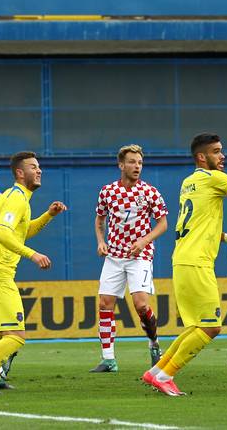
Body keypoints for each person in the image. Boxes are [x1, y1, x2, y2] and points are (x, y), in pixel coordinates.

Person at [141, 133, 227, 397]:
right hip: (197, 262)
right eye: (217, 151)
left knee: (196, 326)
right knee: (210, 326)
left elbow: (199, 224)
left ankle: (156, 371)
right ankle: (166, 375)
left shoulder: (188, 183)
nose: (222, 156)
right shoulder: (215, 178)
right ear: (201, 157)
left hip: (183, 259)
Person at [0, 152, 67, 394]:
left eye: (39, 167)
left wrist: (48, 216)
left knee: (0, 332)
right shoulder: (17, 199)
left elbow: (20, 232)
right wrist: (33, 255)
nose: (39, 171)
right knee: (16, 335)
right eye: (33, 167)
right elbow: (1, 234)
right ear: (20, 173)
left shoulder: (14, 196)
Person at [90, 145, 169, 373]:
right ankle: (108, 359)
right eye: (132, 162)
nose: (137, 166)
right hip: (114, 255)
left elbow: (163, 224)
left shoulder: (149, 192)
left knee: (141, 305)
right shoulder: (108, 191)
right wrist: (100, 241)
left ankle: (154, 344)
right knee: (105, 303)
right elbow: (99, 220)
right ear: (121, 165)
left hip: (139, 255)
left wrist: (144, 241)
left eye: (140, 163)